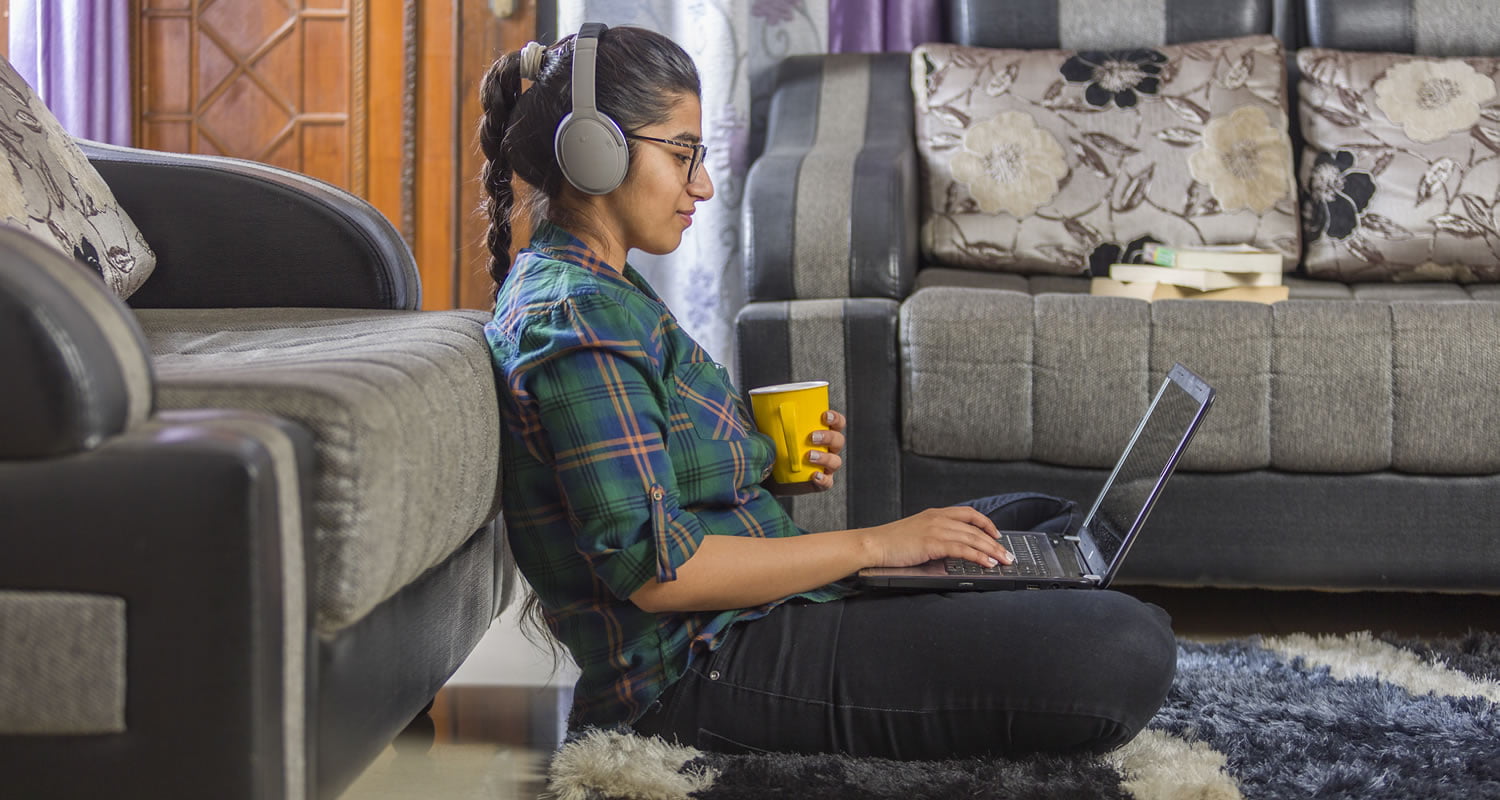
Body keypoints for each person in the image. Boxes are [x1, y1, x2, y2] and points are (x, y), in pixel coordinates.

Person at [479, 23, 1176, 760]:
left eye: (699, 156)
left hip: (754, 614)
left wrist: (765, 459)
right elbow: (658, 573)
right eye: (681, 153)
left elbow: (655, 472)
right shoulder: (577, 320)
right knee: (1126, 648)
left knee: (1042, 523)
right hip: (700, 673)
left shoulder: (602, 292)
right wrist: (876, 545)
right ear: (596, 150)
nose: (703, 185)